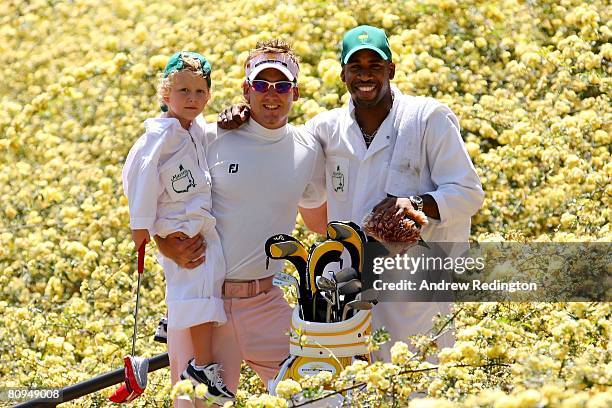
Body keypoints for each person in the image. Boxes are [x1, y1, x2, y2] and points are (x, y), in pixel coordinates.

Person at [221, 25, 485, 361]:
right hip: (348, 288)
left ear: (391, 69)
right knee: (352, 387)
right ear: (343, 73)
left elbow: (468, 193)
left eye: (375, 66)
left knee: (418, 382)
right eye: (355, 66)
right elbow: (280, 148)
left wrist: (416, 204)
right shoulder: (325, 129)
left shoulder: (427, 118)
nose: (365, 75)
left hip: (417, 283)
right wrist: (244, 118)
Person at [155, 40, 326, 406]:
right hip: (206, 304)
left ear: (294, 92)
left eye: (281, 86)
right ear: (246, 89)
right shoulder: (210, 135)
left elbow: (320, 221)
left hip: (265, 301)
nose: (271, 95)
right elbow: (157, 187)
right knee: (196, 404)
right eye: (261, 85)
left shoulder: (308, 148)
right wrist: (162, 242)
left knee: (320, 395)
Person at [122, 51, 234, 403]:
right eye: (183, 91)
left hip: (198, 223)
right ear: (165, 94)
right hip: (179, 226)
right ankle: (202, 365)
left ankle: (172, 321)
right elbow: (139, 174)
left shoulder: (195, 130)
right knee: (200, 290)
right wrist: (141, 225)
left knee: (206, 280)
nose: (192, 99)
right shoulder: (161, 136)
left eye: (200, 92)